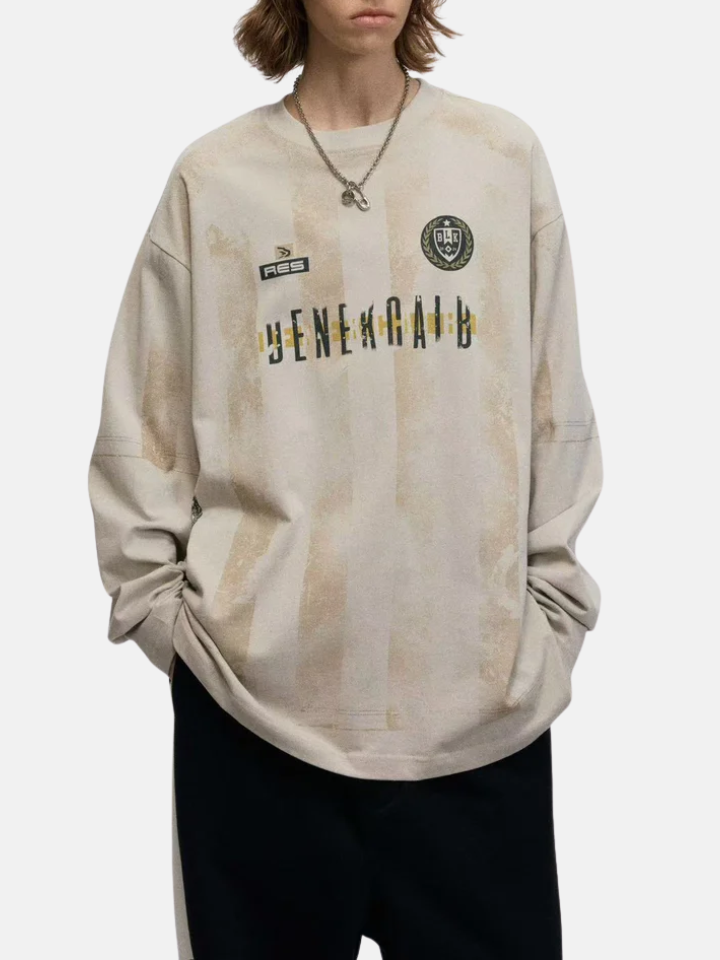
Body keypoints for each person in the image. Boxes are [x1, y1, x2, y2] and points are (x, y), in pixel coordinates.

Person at [87, 1, 603, 957]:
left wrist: (549, 620)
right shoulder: (216, 180)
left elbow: (552, 407)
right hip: (255, 726)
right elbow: (142, 432)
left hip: (480, 721)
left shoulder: (498, 159)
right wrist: (174, 631)